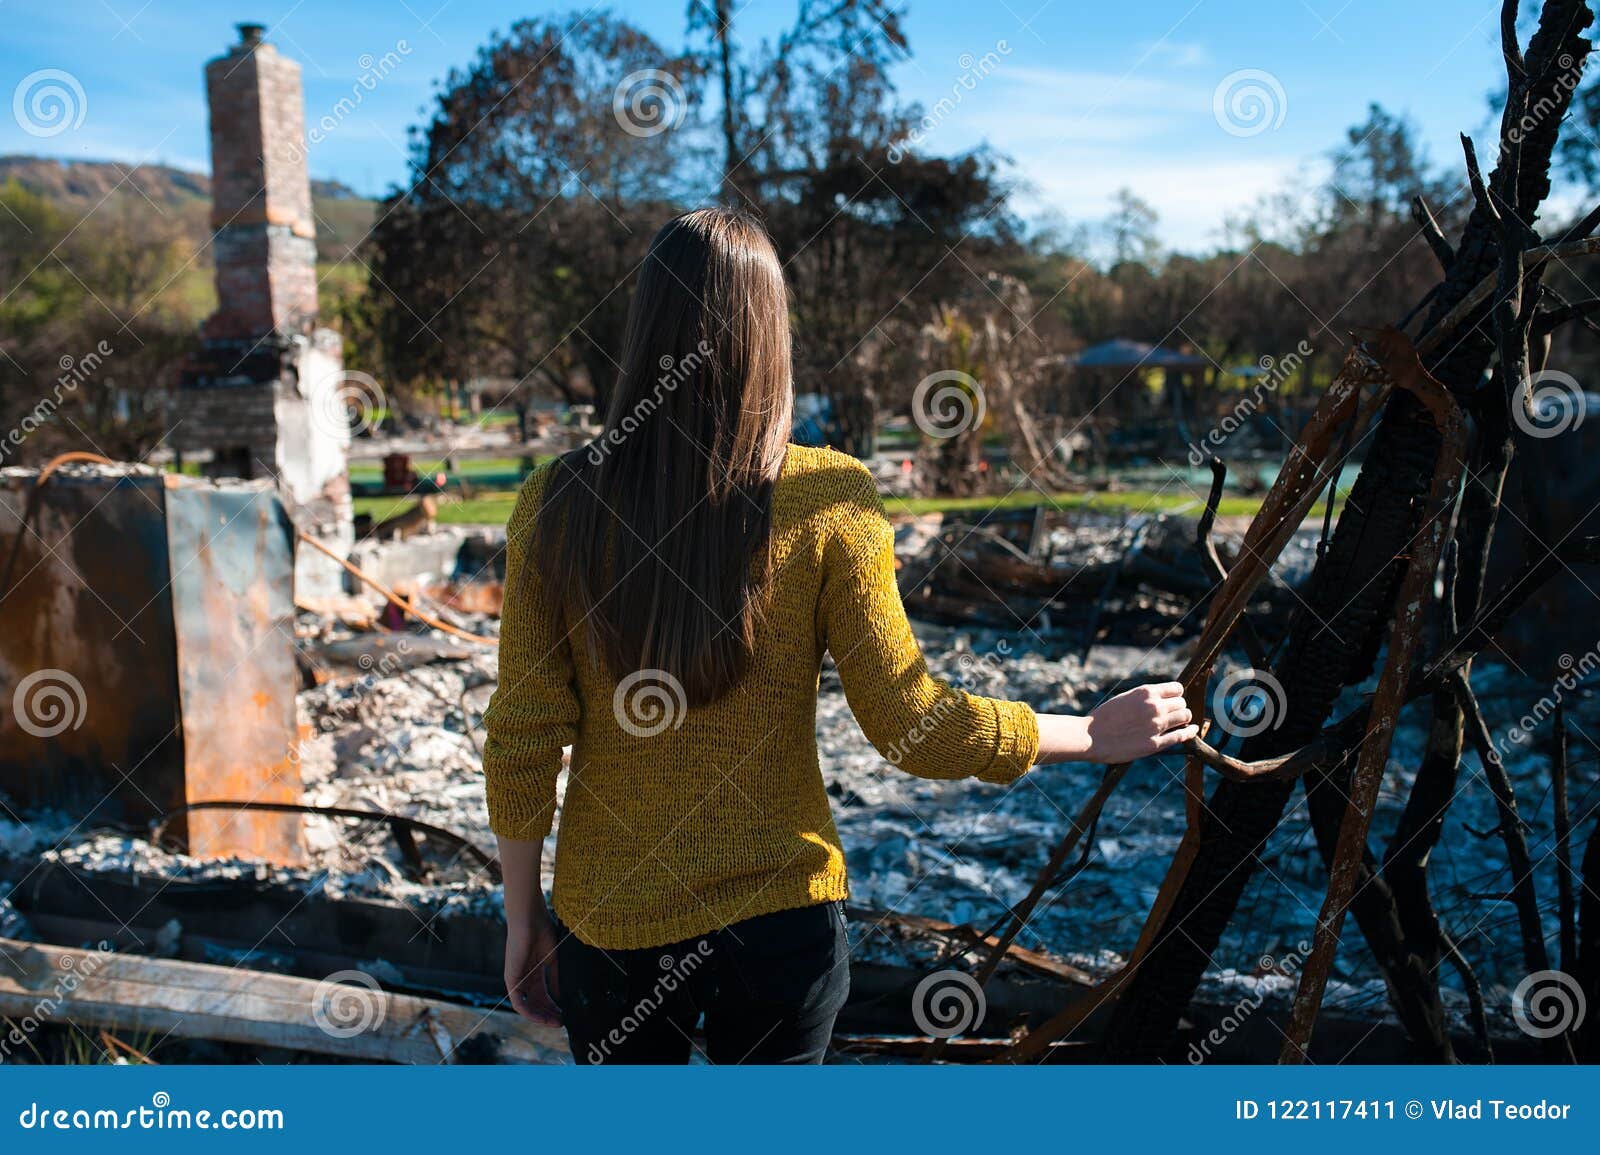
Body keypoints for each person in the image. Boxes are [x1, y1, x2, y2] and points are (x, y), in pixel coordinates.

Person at [482, 206, 1197, 1065]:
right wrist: (1086, 731)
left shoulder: (557, 504)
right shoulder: (830, 498)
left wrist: (524, 918)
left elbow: (522, 735)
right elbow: (908, 722)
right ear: (770, 333)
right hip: (780, 923)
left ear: (645, 329)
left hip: (610, 924)